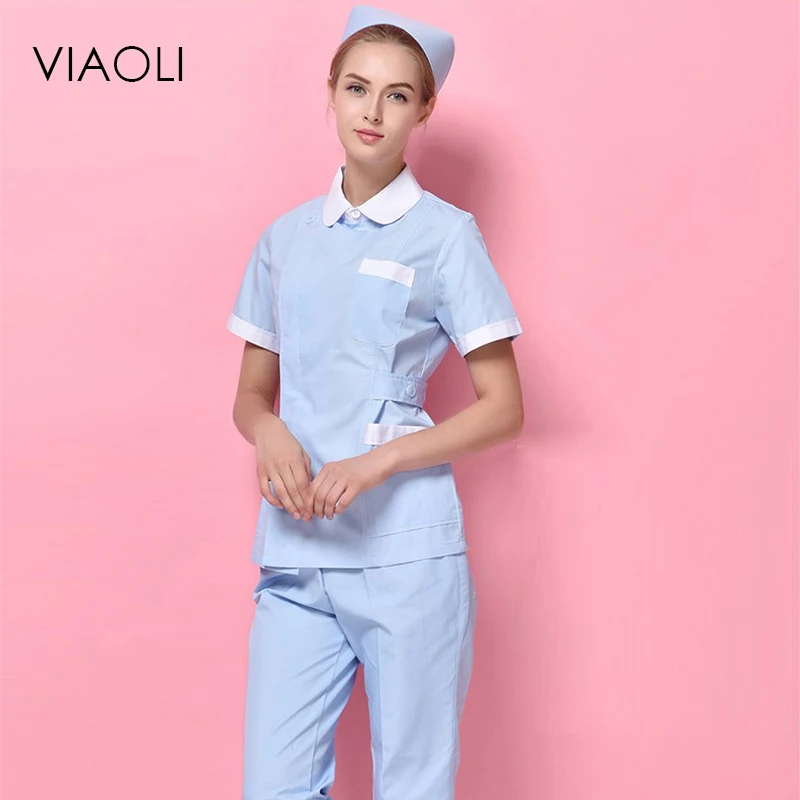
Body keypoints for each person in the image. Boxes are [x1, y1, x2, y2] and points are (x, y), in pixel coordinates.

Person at [227, 5, 524, 798]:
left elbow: (503, 406)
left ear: (424, 110)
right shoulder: (284, 239)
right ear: (330, 91)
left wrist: (379, 462)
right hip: (297, 554)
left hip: (407, 555)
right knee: (274, 787)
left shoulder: (445, 236)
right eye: (357, 88)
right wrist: (269, 433)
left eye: (398, 95)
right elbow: (252, 394)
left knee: (412, 786)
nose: (373, 110)